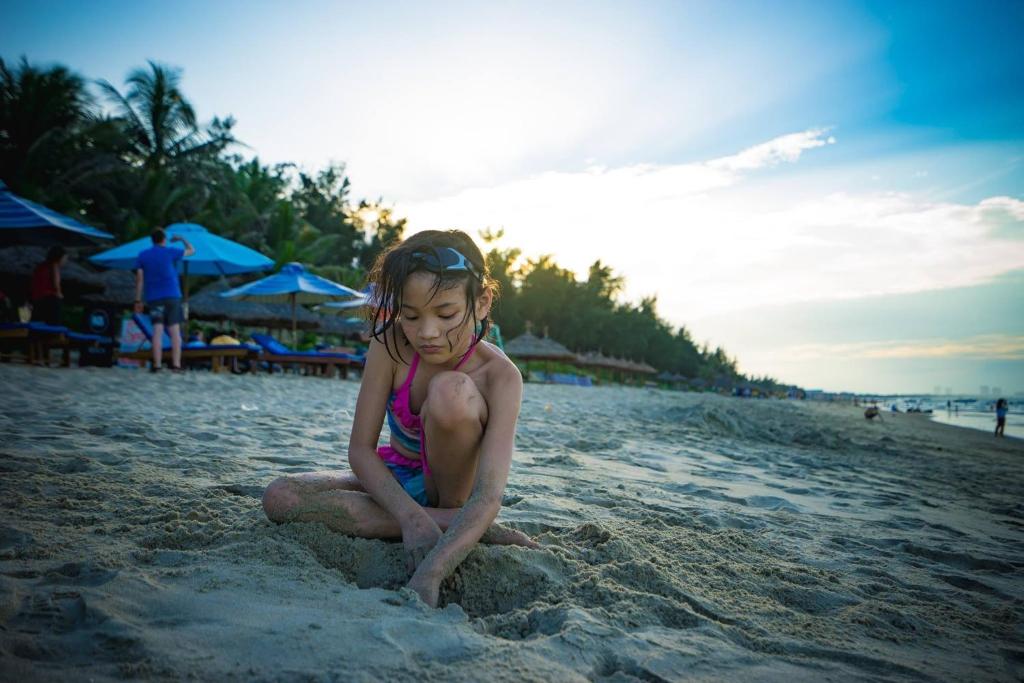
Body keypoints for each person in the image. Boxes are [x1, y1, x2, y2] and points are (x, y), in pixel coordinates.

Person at [261, 229, 536, 607]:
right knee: (281, 497)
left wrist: (432, 572)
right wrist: (409, 517)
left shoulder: (501, 377)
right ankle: (453, 524)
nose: (427, 332)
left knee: (449, 391)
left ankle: (458, 518)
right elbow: (360, 450)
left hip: (455, 492)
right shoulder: (389, 345)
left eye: (446, 314)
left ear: (483, 302)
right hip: (397, 481)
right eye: (410, 315)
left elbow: (488, 494)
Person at [133, 228, 194, 372]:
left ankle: (157, 365)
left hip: (154, 298)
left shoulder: (143, 255)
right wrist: (181, 239)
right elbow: (192, 250)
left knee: (157, 331)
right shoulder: (171, 251)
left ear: (151, 240)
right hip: (172, 296)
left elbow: (140, 280)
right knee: (174, 331)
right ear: (164, 239)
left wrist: (137, 300)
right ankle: (176, 365)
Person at [30, 246, 68, 325]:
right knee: (53, 325)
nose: (65, 261)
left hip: (37, 299)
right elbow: (56, 285)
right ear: (59, 258)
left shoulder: (42, 266)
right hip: (47, 300)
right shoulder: (54, 266)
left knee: (37, 324)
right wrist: (59, 295)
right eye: (65, 258)